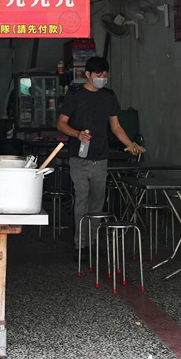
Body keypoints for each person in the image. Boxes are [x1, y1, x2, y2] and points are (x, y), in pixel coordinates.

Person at [57, 56, 145, 250]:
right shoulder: (75, 94)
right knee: (82, 199)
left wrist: (130, 145)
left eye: (105, 74)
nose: (102, 77)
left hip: (100, 157)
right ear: (87, 74)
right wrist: (77, 134)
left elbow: (116, 127)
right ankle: (80, 244)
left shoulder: (109, 96)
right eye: (98, 74)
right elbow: (61, 123)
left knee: (97, 201)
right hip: (78, 157)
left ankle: (93, 241)